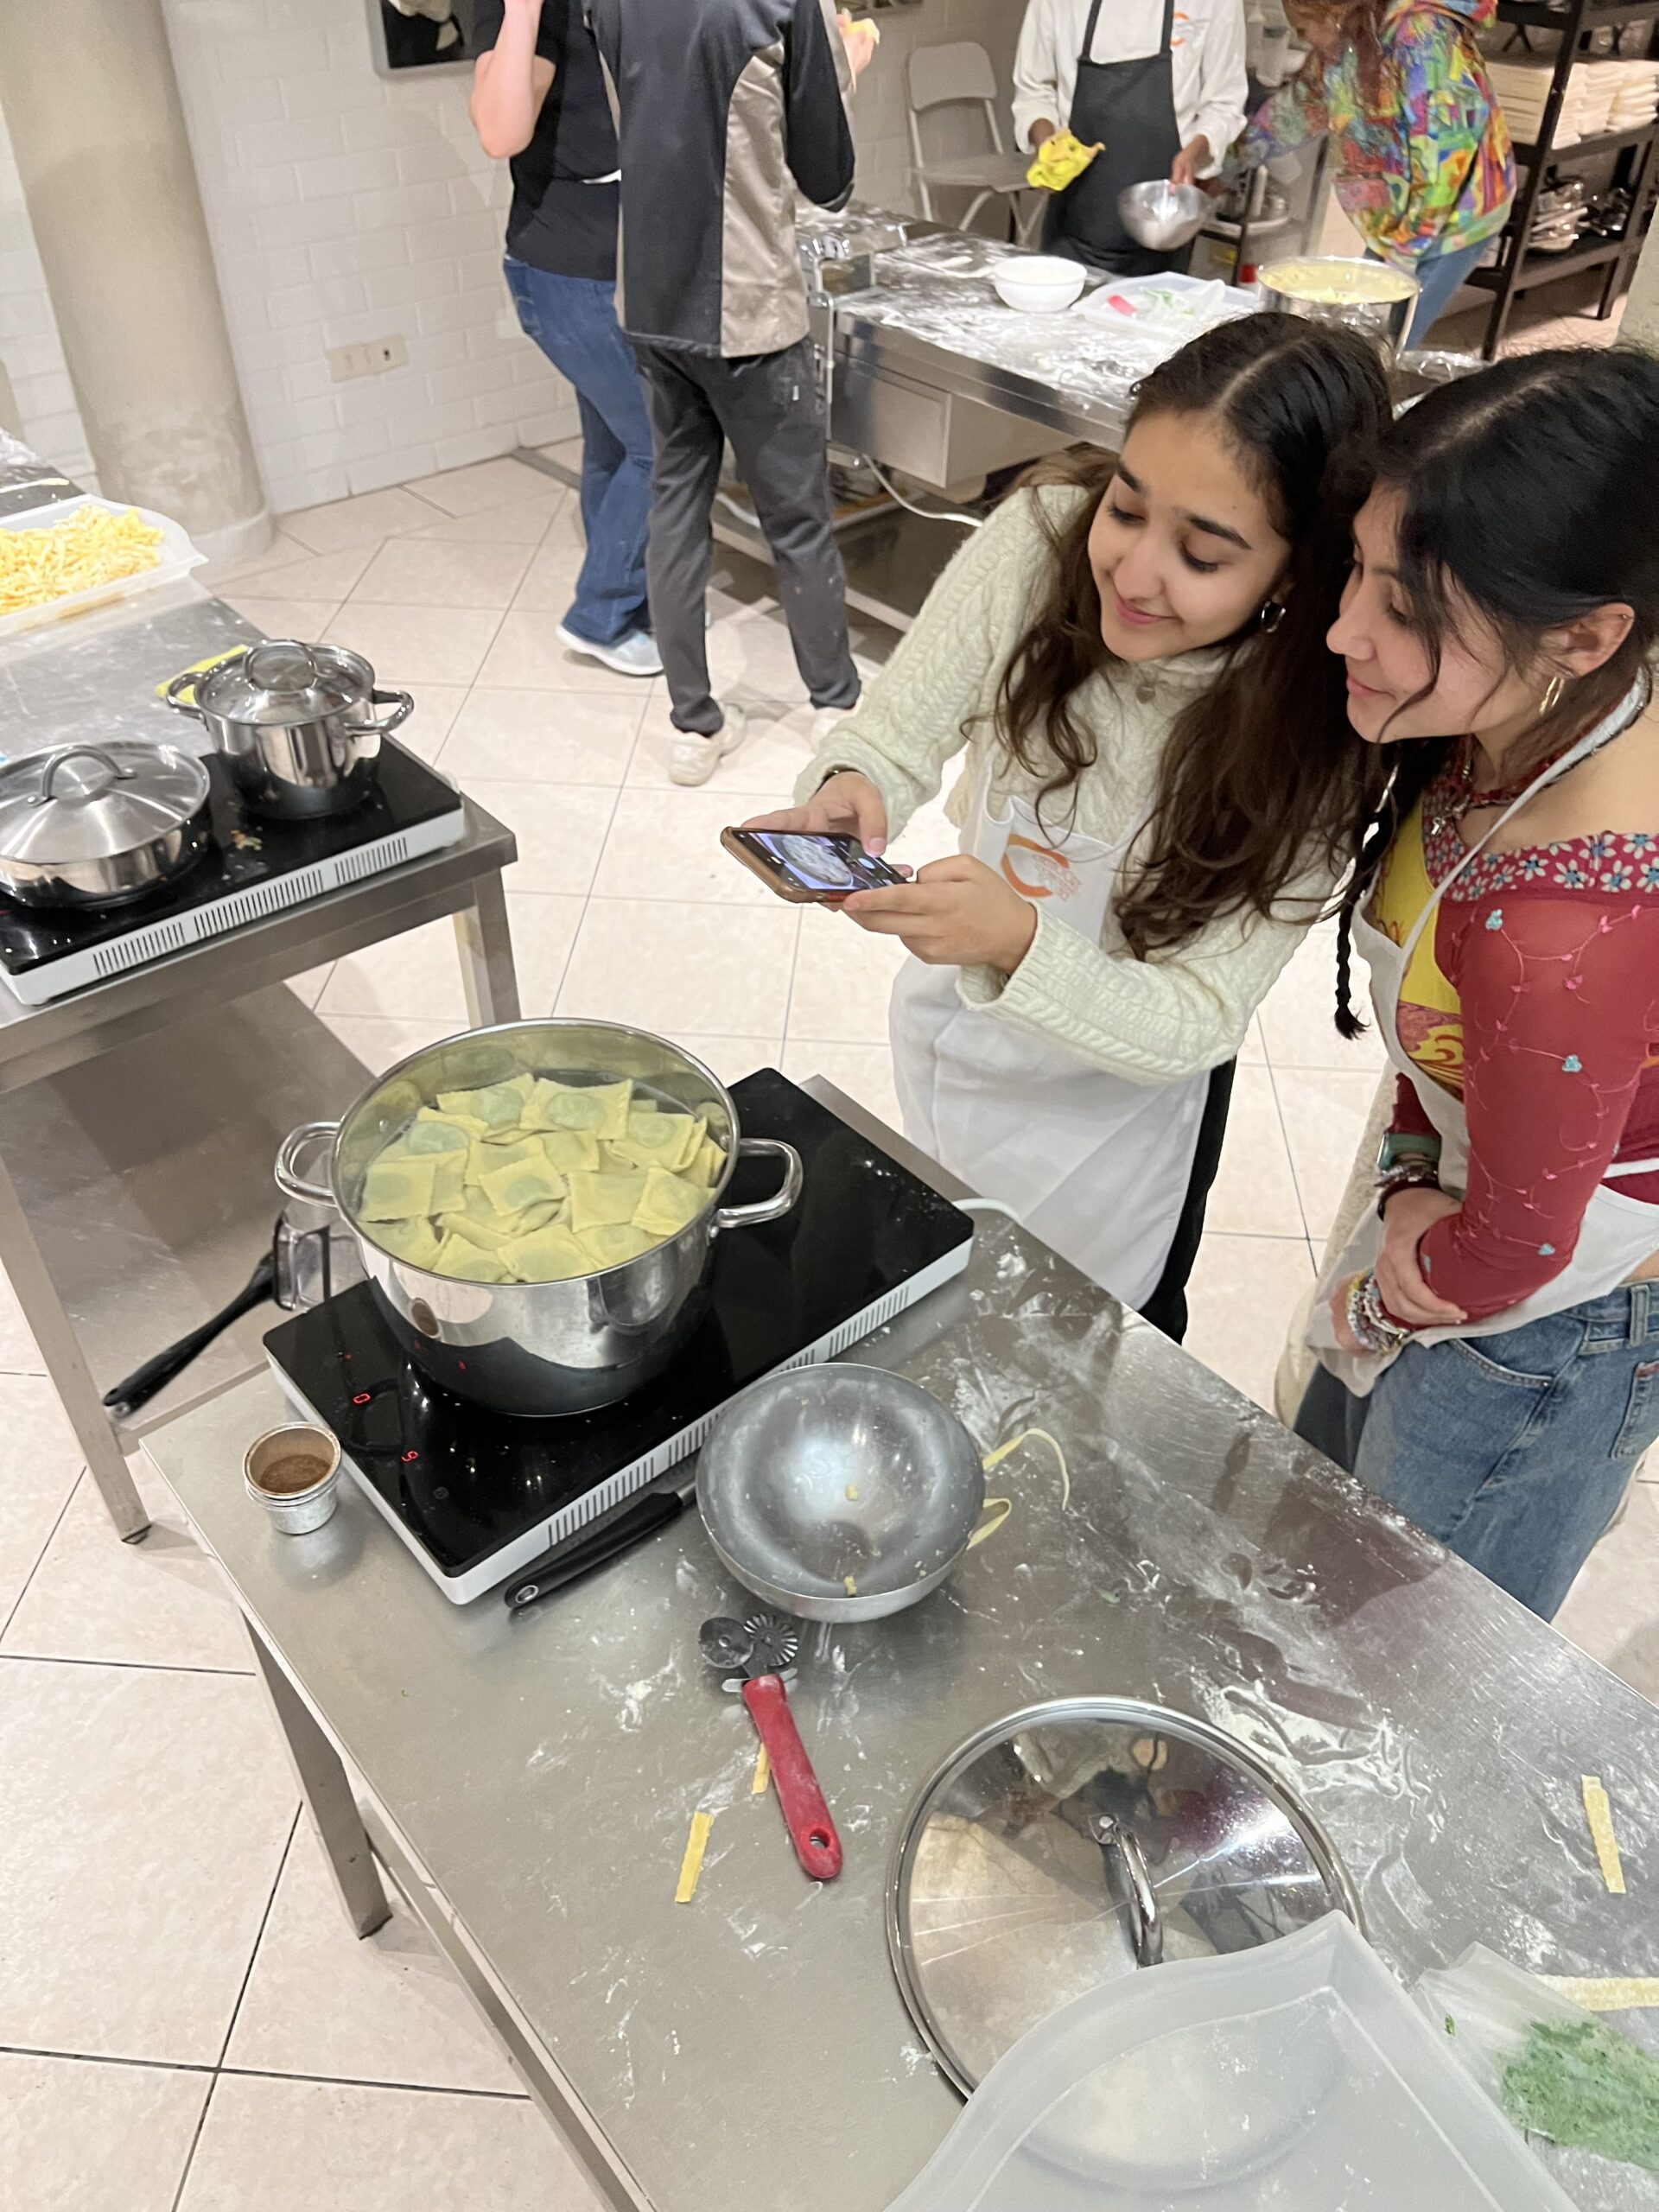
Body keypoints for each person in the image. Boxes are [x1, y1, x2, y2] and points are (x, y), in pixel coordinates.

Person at [746, 315, 1392, 1337]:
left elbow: (1198, 1014)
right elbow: (898, 727)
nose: (1133, 574)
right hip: (966, 1030)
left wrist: (1020, 942)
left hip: (1123, 1110)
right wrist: (854, 787)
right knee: (941, 1275)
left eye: (1202, 553)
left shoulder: (1317, 734)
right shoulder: (1044, 534)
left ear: (1299, 570)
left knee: (1084, 1339)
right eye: (1127, 508)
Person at [1295, 348, 1659, 1619]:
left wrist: (1414, 1237)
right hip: (1463, 1207)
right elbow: (1449, 1057)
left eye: (1407, 611)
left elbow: (1511, 1249)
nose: (1345, 630)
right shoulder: (1546, 714)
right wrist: (1407, 1174)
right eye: (1359, 569)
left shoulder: (1562, 925)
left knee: (1404, 1655)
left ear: (1586, 635)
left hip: (1545, 1332)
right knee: (1325, 1552)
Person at [584, 0, 875, 785]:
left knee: (675, 508)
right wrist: (847, 62)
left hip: (648, 297)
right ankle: (835, 705)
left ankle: (694, 726)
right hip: (747, 308)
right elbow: (830, 179)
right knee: (797, 521)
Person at [471, 0, 658, 678]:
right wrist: (522, 11)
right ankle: (601, 615)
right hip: (569, 275)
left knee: (616, 443)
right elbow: (500, 131)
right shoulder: (528, 11)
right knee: (666, 446)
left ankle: (632, 603)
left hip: (621, 266)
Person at [1243, 0, 1515, 345]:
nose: (1306, 39)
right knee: (1362, 329)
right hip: (1401, 214)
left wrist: (1407, 247)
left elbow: (1448, 154)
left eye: (1303, 28)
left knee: (1385, 341)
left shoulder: (1422, 37)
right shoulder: (1346, 42)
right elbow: (1296, 110)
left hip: (1457, 213)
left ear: (1332, 11)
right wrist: (1232, 158)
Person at [1013, 0, 1249, 275]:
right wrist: (1047, 144)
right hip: (1073, 228)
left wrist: (1195, 151)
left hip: (1163, 232)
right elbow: (1033, 88)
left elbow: (1225, 103)